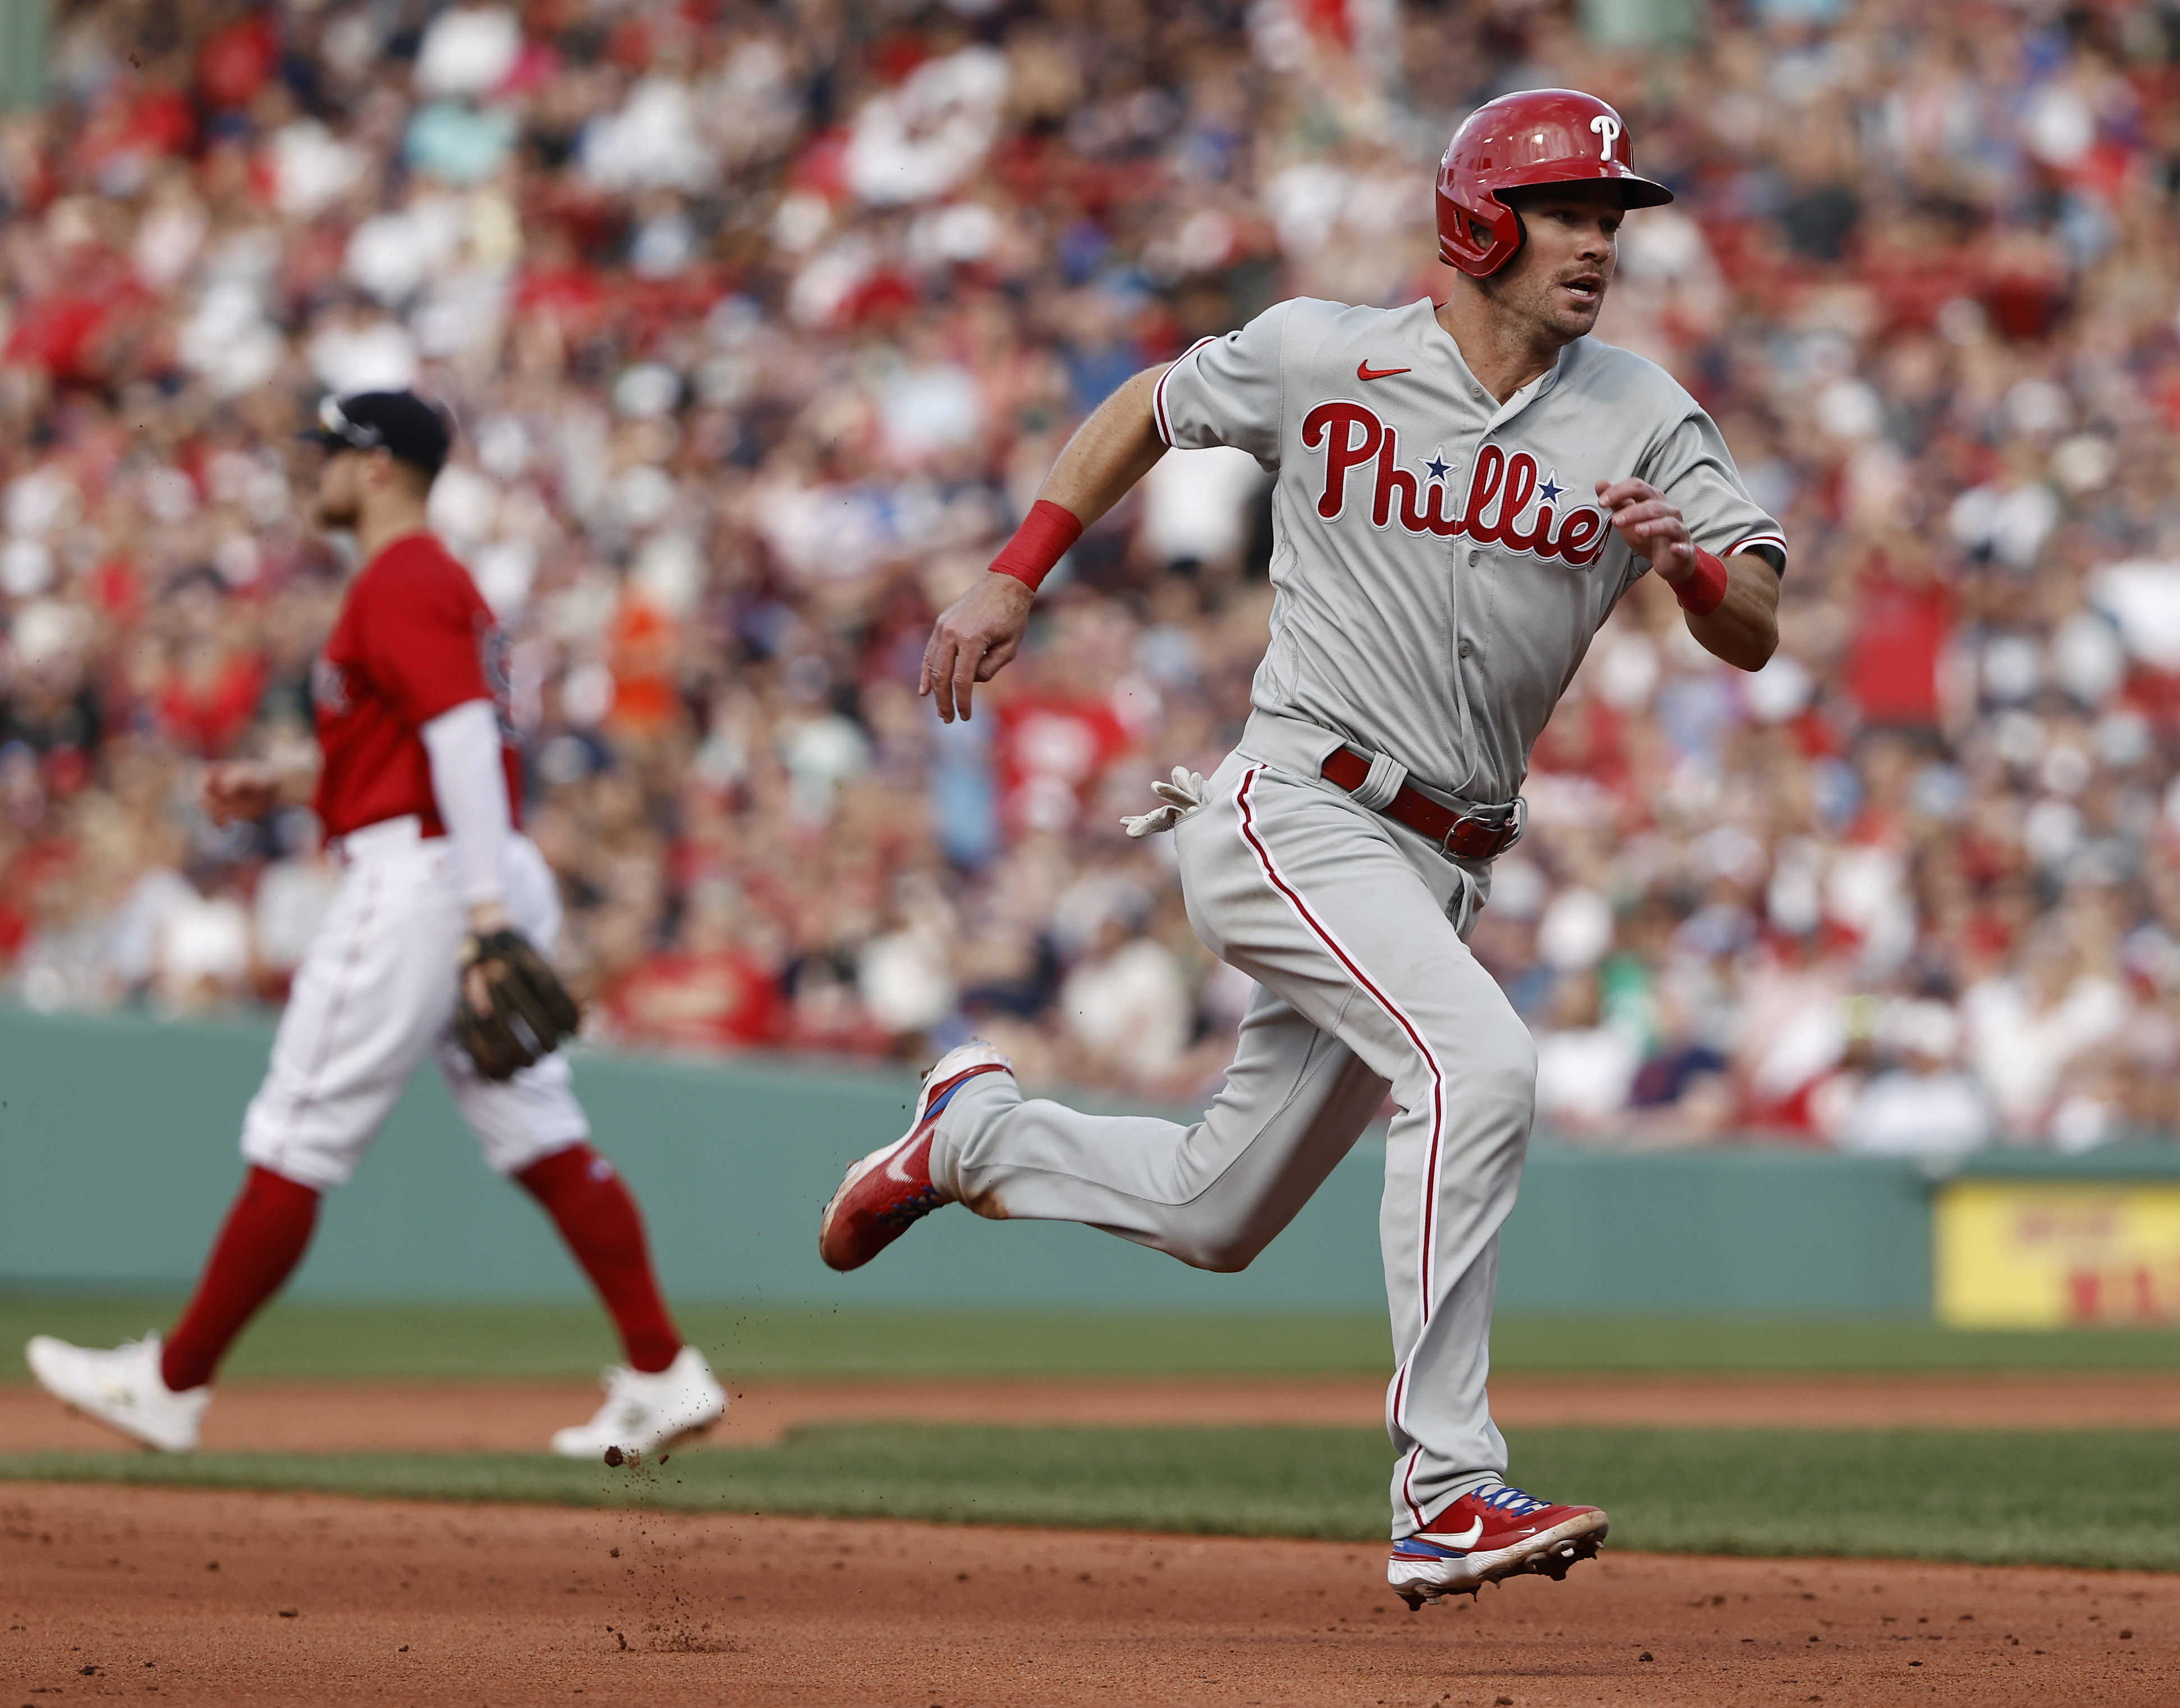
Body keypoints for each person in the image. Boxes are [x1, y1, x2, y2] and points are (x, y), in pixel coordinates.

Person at [818, 92, 1784, 1608]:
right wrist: (1013, 577)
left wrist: (1690, 571)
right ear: (1477, 222)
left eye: (1613, 214)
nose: (1600, 238)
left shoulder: (1643, 412)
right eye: (1571, 209)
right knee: (1478, 1066)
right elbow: (1145, 402)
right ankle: (1445, 1487)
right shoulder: (1323, 352)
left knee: (1217, 1210)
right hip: (1293, 802)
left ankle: (973, 1137)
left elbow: (1757, 626)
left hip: (1439, 862)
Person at [23, 392, 726, 1458]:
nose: (317, 472)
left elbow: (453, 746)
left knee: (297, 1130)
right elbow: (420, 747)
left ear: (381, 466)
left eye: (332, 453)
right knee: (539, 1131)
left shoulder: (402, 578)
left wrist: (483, 918)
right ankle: (664, 1370)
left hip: (429, 882)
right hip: (466, 862)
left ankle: (171, 1386)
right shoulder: (428, 582)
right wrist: (303, 781)